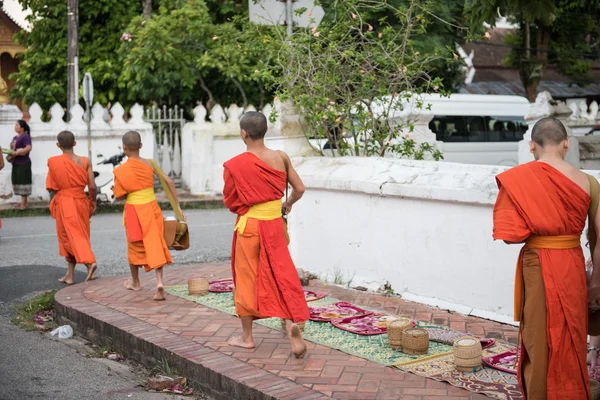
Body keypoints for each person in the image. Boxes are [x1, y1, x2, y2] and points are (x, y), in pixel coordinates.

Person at [493, 117, 596, 399]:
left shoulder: (519, 179)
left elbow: (510, 236)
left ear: (531, 146)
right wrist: (596, 280)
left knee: (539, 335)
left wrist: (537, 218)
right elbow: (598, 239)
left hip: (537, 263)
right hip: (572, 264)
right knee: (571, 333)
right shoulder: (589, 182)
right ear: (566, 143)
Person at [222, 111, 309, 359]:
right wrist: (287, 203)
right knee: (281, 273)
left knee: (247, 277)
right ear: (266, 131)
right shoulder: (280, 157)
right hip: (274, 225)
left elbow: (230, 201)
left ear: (243, 133)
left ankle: (247, 338)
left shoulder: (235, 165)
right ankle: (290, 322)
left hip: (250, 227)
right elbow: (300, 188)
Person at [113, 131, 182, 301]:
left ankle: (135, 282)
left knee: (134, 245)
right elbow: (170, 182)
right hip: (151, 208)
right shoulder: (150, 164)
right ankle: (159, 282)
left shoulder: (121, 170)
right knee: (155, 243)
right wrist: (178, 208)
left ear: (124, 148)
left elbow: (119, 195)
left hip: (134, 211)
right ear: (141, 146)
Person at [46, 131, 97, 284]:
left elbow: (51, 187)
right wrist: (92, 202)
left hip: (65, 202)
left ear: (58, 145)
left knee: (69, 236)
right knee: (80, 234)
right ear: (75, 143)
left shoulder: (53, 162)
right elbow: (92, 186)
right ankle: (70, 275)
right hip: (82, 200)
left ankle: (89, 262)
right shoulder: (85, 161)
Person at [9, 120, 32, 210]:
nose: (15, 127)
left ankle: (24, 203)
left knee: (23, 181)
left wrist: (18, 152)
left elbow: (28, 147)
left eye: (17, 125)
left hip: (24, 163)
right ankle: (24, 201)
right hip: (16, 163)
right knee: (17, 181)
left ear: (22, 128)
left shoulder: (25, 136)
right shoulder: (15, 137)